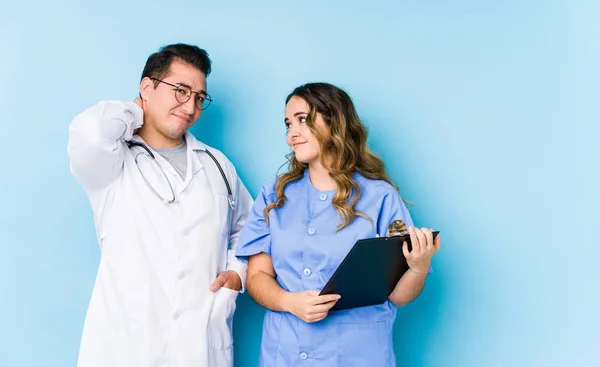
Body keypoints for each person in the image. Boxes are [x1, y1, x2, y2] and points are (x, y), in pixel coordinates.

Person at [67, 43, 252, 367]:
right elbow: (89, 130)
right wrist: (138, 110)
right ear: (147, 87)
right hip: (127, 348)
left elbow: (250, 231)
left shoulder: (217, 165)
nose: (190, 106)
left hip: (200, 347)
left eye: (198, 97)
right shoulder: (111, 163)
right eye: (180, 90)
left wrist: (237, 273)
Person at [235, 82, 441, 366]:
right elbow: (257, 277)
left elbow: (398, 296)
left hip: (358, 354)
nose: (291, 134)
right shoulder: (273, 196)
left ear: (334, 122)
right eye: (288, 124)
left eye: (303, 120)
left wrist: (417, 267)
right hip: (285, 354)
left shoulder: (380, 198)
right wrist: (289, 302)